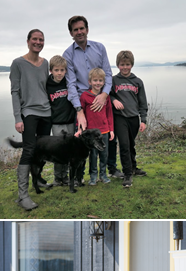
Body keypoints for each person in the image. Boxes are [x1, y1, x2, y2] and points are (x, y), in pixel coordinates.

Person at [63, 15, 124, 179]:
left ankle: (110, 168)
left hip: (102, 97)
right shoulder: (68, 54)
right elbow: (71, 84)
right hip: (83, 100)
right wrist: (79, 110)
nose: (79, 32)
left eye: (82, 28)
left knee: (108, 134)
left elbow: (108, 74)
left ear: (87, 29)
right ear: (71, 33)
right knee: (82, 137)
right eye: (75, 30)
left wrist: (105, 95)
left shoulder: (100, 48)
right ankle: (80, 174)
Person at [9, 29, 52, 211]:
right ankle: (23, 195)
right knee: (29, 150)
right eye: (34, 39)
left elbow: (47, 87)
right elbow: (15, 92)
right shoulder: (18, 63)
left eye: (41, 39)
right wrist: (18, 117)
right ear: (28, 42)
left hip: (46, 112)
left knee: (42, 149)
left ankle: (38, 179)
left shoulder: (46, 63)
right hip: (29, 113)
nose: (38, 42)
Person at [110, 50, 148, 188]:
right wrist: (114, 100)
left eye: (127, 64)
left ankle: (133, 167)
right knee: (124, 145)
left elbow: (143, 102)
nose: (124, 67)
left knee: (131, 144)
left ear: (131, 64)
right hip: (120, 118)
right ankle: (127, 174)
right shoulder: (113, 80)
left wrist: (143, 120)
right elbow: (107, 95)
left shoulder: (138, 82)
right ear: (117, 65)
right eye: (122, 64)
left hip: (134, 118)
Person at [80, 68, 114, 185]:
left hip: (104, 130)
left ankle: (103, 175)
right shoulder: (85, 96)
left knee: (104, 154)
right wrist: (81, 129)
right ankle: (93, 175)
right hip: (91, 133)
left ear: (104, 82)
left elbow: (109, 114)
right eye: (95, 80)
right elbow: (81, 114)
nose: (98, 83)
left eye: (100, 80)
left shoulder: (106, 97)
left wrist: (112, 130)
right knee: (93, 155)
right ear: (90, 82)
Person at [46, 55, 76, 186]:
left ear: (65, 71)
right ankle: (58, 178)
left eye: (62, 70)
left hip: (70, 121)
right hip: (56, 123)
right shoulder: (47, 85)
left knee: (69, 150)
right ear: (51, 70)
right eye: (56, 70)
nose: (59, 73)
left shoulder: (68, 83)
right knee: (58, 151)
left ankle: (66, 177)